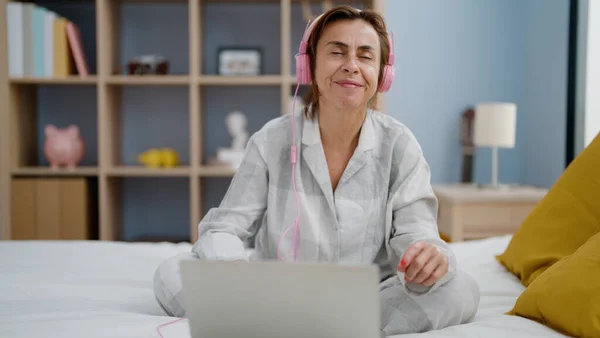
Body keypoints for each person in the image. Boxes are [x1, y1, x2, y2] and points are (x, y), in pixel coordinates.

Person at [153, 5, 480, 336]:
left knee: (460, 288)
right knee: (170, 271)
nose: (351, 66)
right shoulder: (271, 139)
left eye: (366, 56)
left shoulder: (400, 144)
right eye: (337, 52)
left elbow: (417, 233)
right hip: (275, 295)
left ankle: (309, 326)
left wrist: (427, 255)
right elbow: (224, 228)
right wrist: (234, 271)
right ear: (309, 65)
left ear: (382, 74)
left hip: (370, 298)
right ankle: (321, 324)